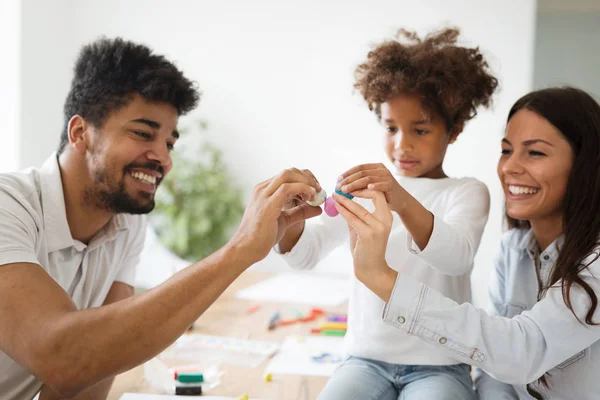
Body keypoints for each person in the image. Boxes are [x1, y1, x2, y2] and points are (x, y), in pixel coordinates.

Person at [0, 37, 323, 400]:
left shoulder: (125, 222)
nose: (163, 158)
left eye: (169, 143)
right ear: (80, 134)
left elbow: (97, 368)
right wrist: (242, 248)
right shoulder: (7, 206)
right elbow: (62, 358)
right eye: (142, 133)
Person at [335, 86, 600, 400]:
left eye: (535, 152)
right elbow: (495, 369)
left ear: (584, 164)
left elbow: (520, 351)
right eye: (506, 150)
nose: (510, 167)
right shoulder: (514, 249)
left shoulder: (594, 263)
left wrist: (380, 277)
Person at [275, 27, 497, 399]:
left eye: (420, 130)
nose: (402, 144)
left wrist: (401, 197)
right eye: (391, 127)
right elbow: (304, 255)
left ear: (454, 130)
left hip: (441, 363)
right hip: (365, 360)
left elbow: (456, 257)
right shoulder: (366, 189)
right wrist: (290, 221)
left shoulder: (467, 192)